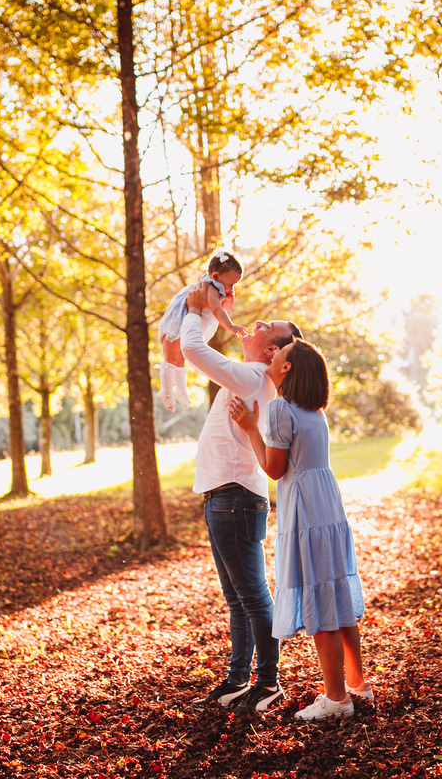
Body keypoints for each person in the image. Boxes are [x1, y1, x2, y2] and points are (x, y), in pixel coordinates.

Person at [230, 339, 371, 721]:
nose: (272, 354)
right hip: (327, 505)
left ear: (287, 368)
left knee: (320, 600)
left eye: (279, 353)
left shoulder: (280, 408)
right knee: (337, 596)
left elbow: (274, 469)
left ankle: (337, 700)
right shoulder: (315, 412)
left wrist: (249, 429)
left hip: (305, 511)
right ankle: (358, 685)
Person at [180, 280, 301, 713]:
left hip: (233, 498)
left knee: (252, 597)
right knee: (239, 598)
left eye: (271, 326)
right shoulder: (252, 376)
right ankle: (237, 680)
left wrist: (197, 311)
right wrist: (215, 311)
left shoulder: (252, 376)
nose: (261, 321)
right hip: (225, 496)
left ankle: (267, 684)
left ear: (273, 352)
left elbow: (194, 351)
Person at [156, 248, 248, 412]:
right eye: (230, 284)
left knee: (180, 357)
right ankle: (166, 391)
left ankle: (181, 390)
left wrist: (229, 299)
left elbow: (223, 307)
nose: (231, 288)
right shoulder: (210, 287)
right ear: (216, 276)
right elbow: (217, 311)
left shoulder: (218, 288)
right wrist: (231, 326)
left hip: (186, 321)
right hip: (178, 321)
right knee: (171, 356)